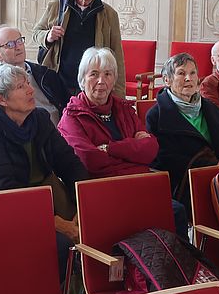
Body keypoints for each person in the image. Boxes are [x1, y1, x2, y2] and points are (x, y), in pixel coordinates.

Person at [0, 64, 88, 281]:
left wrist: (82, 203)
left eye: (27, 84)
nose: (31, 90)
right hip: (0, 210)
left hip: (44, 197)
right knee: (59, 243)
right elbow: (5, 192)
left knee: (94, 226)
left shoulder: (38, 118)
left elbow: (69, 163)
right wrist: (54, 222)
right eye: (21, 87)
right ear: (1, 100)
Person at [59, 47, 190, 238]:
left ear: (114, 79)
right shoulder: (72, 116)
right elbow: (90, 160)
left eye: (107, 74)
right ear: (82, 79)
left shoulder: (124, 108)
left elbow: (150, 150)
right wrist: (132, 153)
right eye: (93, 74)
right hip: (104, 191)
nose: (101, 81)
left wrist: (109, 148)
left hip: (138, 187)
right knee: (156, 217)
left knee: (176, 211)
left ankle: (177, 265)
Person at [147, 52, 219, 210]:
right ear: (167, 80)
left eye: (192, 73)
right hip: (184, 184)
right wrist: (211, 166)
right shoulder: (156, 116)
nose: (188, 78)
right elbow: (163, 158)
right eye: (181, 73)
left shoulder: (210, 108)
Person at [32, 0, 126, 96]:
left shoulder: (109, 14)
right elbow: (36, 33)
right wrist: (48, 36)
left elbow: (117, 55)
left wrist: (119, 95)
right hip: (59, 82)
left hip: (92, 87)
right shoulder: (56, 6)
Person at [0, 24, 69, 126]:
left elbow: (67, 105)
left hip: (59, 132)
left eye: (19, 41)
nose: (18, 47)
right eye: (10, 45)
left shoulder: (46, 74)